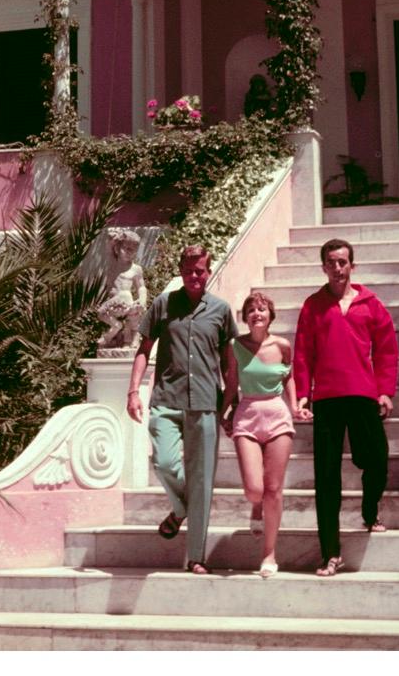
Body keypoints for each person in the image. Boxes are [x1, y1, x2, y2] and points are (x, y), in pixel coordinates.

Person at [126, 245, 236, 575]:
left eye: (199, 270)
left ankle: (196, 557)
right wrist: (133, 391)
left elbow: (229, 363)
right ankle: (181, 508)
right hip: (166, 398)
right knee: (163, 463)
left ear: (208, 271)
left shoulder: (221, 310)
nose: (194, 276)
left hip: (206, 403)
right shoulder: (164, 304)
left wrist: (230, 405)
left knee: (202, 480)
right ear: (180, 271)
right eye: (188, 270)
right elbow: (144, 349)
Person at [293, 237, 398, 577]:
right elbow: (302, 352)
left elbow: (386, 350)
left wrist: (385, 391)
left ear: (352, 265)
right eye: (331, 262)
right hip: (326, 399)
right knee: (326, 477)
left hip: (364, 395)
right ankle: (330, 553)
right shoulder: (313, 306)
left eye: (342, 262)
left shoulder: (371, 304)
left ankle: (369, 509)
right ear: (323, 267)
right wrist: (303, 392)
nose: (337, 268)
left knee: (376, 459)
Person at [222, 290, 308, 577]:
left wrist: (295, 407)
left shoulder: (283, 345)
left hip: (277, 416)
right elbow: (231, 382)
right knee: (253, 490)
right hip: (247, 414)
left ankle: (269, 554)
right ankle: (255, 506)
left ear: (271, 315)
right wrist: (222, 412)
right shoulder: (235, 345)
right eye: (251, 310)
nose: (256, 314)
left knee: (273, 489)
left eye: (261, 309)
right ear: (245, 318)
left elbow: (288, 376)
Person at [96, 229, 147, 353]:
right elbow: (109, 248)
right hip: (113, 302)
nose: (129, 252)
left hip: (126, 302)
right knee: (101, 313)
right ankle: (116, 328)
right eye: (126, 248)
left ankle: (131, 339)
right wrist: (114, 239)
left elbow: (141, 287)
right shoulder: (112, 264)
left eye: (133, 250)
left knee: (134, 311)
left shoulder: (136, 269)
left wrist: (142, 300)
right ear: (117, 248)